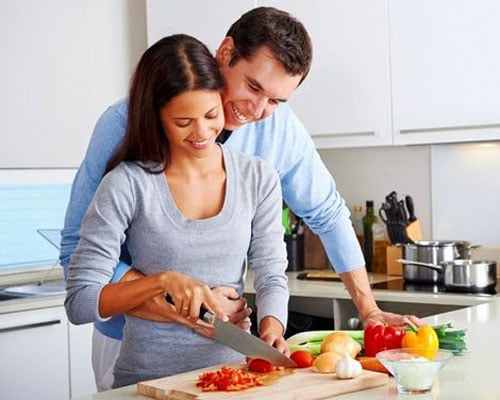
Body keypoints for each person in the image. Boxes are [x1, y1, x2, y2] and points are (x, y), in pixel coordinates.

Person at [60, 6, 423, 391]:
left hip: (225, 355)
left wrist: (368, 310)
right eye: (252, 87)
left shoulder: (272, 139)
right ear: (225, 53)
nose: (258, 110)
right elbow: (77, 258)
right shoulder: (127, 125)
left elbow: (327, 217)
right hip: (130, 342)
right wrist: (180, 301)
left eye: (276, 101)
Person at [64, 34, 289, 388]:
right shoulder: (127, 184)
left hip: (231, 380)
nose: (202, 133)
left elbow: (271, 273)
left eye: (212, 115)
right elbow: (80, 302)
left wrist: (272, 327)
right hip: (148, 384)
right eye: (183, 122)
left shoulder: (258, 177)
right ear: (156, 117)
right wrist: (161, 281)